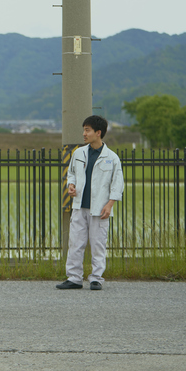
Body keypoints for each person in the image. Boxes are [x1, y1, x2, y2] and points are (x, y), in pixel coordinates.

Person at [56, 115, 124, 291]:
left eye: (87, 130)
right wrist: (71, 185)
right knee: (75, 243)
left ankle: (96, 279)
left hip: (100, 209)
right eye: (84, 130)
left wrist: (109, 205)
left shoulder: (112, 158)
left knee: (98, 244)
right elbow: (71, 173)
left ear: (98, 132)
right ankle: (74, 278)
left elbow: (117, 184)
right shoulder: (79, 153)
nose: (84, 134)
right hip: (79, 207)